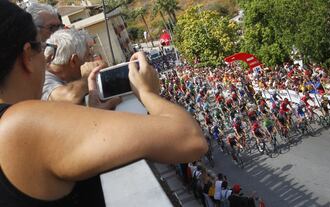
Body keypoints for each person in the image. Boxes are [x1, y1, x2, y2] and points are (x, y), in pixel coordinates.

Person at [0, 2, 208, 206]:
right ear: (27, 56)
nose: (47, 63)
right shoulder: (21, 123)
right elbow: (189, 138)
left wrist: (90, 118)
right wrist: (147, 92)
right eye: (43, 49)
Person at [42, 29, 121, 108]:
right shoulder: (43, 79)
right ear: (74, 61)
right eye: (88, 55)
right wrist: (89, 75)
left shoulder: (66, 77)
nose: (91, 60)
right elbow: (72, 97)